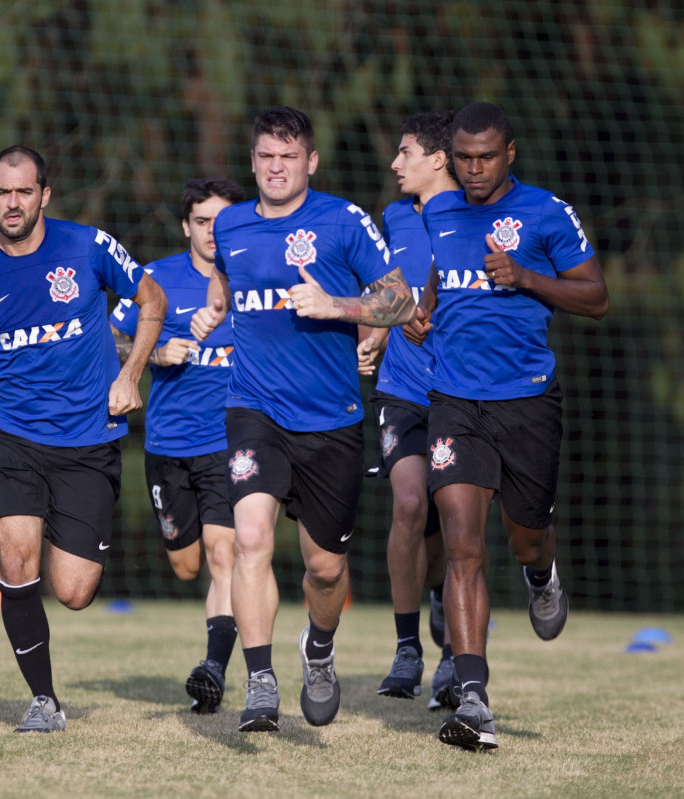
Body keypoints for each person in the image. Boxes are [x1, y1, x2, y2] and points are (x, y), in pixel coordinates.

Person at [190, 106, 416, 732]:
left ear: (310, 162)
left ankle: (318, 648)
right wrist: (213, 313)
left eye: (289, 156)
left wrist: (336, 305)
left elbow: (400, 299)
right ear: (254, 161)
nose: (276, 167)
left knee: (324, 567)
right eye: (266, 156)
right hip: (253, 408)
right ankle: (260, 680)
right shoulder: (232, 224)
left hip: (331, 419)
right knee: (252, 538)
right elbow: (226, 286)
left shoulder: (342, 221)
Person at [0, 145, 166, 733]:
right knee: (14, 557)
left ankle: (77, 561)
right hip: (11, 435)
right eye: (1, 192)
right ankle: (43, 700)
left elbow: (152, 300)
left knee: (75, 590)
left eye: (23, 192)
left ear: (44, 196)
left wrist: (130, 374)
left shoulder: (87, 246)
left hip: (88, 440)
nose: (12, 203)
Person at [406, 102, 609, 751]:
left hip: (527, 402)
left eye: (486, 157)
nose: (473, 169)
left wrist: (525, 276)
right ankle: (473, 696)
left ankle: (541, 572)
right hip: (454, 400)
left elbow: (596, 296)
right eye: (463, 157)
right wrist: (424, 308)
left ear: (510, 153)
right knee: (463, 543)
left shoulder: (547, 213)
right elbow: (442, 265)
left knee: (525, 538)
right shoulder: (439, 209)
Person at [110, 177, 244, 714]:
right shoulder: (157, 279)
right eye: (203, 221)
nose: (214, 231)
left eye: (223, 220)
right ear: (185, 226)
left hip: (230, 441)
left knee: (224, 555)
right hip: (168, 446)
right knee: (188, 565)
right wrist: (157, 352)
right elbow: (113, 336)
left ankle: (213, 668)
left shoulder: (254, 275)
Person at [357, 111, 459, 711]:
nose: (395, 163)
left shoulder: (472, 216)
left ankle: (453, 644)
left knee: (450, 521)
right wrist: (371, 335)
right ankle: (407, 648)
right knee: (410, 502)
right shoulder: (394, 216)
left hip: (458, 392)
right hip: (401, 390)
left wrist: (430, 301)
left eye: (406, 152)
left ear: (438, 159)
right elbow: (383, 290)